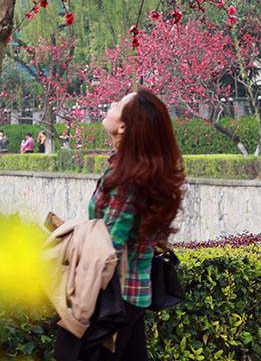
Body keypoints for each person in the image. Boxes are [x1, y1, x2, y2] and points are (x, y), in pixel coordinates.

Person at [82, 87, 185, 360]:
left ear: (124, 126)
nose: (111, 103)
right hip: (132, 297)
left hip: (115, 303)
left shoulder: (126, 180)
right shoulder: (140, 172)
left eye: (118, 103)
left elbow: (108, 249)